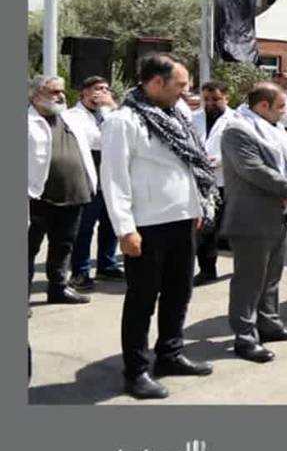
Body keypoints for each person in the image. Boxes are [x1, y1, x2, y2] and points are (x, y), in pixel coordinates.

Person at [100, 54, 218, 400]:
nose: (186, 92)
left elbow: (188, 164)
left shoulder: (176, 115)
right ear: (156, 82)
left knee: (179, 292)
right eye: (180, 85)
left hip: (182, 220)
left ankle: (170, 354)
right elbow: (114, 179)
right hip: (146, 226)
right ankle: (136, 371)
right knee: (142, 300)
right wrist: (125, 229)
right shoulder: (123, 121)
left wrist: (197, 205)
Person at [220, 83, 287, 363]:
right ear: (263, 106)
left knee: (271, 276)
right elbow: (253, 169)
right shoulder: (237, 130)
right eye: (281, 106)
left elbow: (286, 163)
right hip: (250, 216)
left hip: (276, 214)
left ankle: (269, 324)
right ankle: (245, 337)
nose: (284, 112)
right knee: (249, 280)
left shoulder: (273, 128)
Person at [28, 75, 95, 305]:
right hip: (38, 198)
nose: (61, 96)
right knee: (27, 250)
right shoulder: (26, 121)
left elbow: (101, 138)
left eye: (62, 91)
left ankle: (58, 289)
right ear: (36, 95)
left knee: (64, 246)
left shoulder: (71, 119)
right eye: (54, 92)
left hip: (72, 195)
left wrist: (107, 107)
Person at [66, 76, 122, 290]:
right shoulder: (74, 115)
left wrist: (112, 108)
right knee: (84, 227)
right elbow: (98, 140)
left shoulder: (109, 113)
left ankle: (107, 265)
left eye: (107, 89)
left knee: (111, 223)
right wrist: (111, 114)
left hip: (110, 176)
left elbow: (124, 135)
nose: (104, 92)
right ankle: (80, 271)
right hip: (88, 176)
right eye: (99, 88)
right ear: (85, 92)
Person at [191, 81, 233, 285]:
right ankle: (207, 269)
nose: (210, 103)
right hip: (202, 181)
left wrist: (221, 160)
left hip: (226, 180)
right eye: (206, 99)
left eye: (215, 99)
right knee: (206, 228)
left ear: (226, 98)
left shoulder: (235, 119)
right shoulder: (194, 118)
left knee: (232, 226)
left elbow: (239, 148)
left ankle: (243, 266)